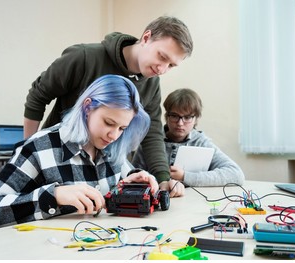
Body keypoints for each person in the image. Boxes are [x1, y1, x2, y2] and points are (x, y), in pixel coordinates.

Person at [23, 16, 194, 190]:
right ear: (146, 38)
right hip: (58, 164)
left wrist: (163, 179)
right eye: (162, 56)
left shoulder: (151, 83)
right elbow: (38, 97)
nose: (162, 69)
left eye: (171, 65)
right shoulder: (83, 57)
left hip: (103, 172)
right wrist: (27, 152)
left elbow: (152, 131)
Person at [0, 75, 157, 232]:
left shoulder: (112, 146)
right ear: (87, 107)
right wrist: (53, 196)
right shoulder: (39, 148)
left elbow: (125, 178)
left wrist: (135, 181)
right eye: (108, 123)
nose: (114, 135)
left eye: (122, 128)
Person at [132, 88, 245, 197]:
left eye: (187, 117)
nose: (180, 123)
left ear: (196, 119)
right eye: (174, 116)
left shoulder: (201, 142)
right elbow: (133, 176)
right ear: (166, 116)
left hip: (191, 204)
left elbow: (236, 174)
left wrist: (185, 176)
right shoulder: (151, 141)